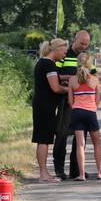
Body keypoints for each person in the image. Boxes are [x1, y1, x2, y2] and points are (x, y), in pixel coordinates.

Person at [53, 30, 91, 179]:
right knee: (62, 134)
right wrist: (70, 78)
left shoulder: (86, 57)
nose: (84, 46)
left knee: (80, 136)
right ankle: (59, 170)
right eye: (81, 43)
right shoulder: (64, 54)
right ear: (74, 40)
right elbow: (55, 75)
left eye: (86, 44)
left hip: (83, 102)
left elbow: (92, 76)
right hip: (66, 101)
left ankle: (76, 169)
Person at [32, 39, 69, 183]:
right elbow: (56, 88)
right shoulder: (49, 64)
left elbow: (55, 79)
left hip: (42, 105)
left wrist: (67, 78)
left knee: (44, 139)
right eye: (64, 52)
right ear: (57, 49)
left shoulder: (43, 62)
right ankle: (43, 174)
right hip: (45, 106)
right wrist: (70, 90)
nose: (64, 56)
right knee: (43, 139)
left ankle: (44, 172)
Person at [68, 51, 101, 180]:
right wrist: (92, 108)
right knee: (97, 144)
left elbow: (70, 102)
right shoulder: (95, 80)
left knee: (80, 145)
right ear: (90, 64)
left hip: (77, 112)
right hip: (90, 113)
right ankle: (100, 172)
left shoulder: (72, 80)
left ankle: (81, 174)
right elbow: (98, 100)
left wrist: (77, 108)